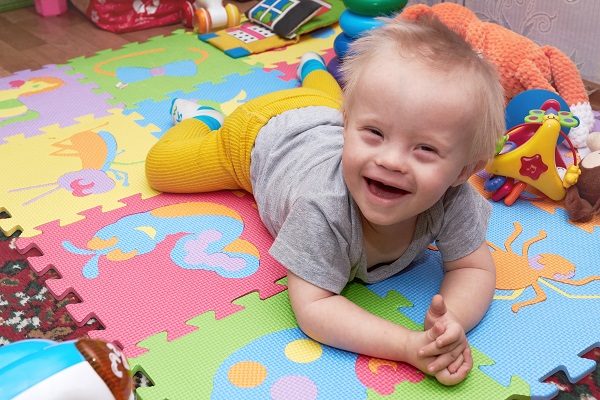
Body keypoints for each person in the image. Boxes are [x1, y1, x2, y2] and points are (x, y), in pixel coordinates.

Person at [145, 15, 505, 385]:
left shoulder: (454, 197)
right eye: (375, 133)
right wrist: (408, 346)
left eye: (425, 148)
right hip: (254, 135)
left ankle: (314, 69)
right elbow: (315, 307)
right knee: (160, 169)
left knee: (328, 98)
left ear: (463, 171)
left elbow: (473, 269)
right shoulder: (323, 206)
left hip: (322, 108)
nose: (390, 161)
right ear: (347, 126)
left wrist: (449, 327)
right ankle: (202, 118)